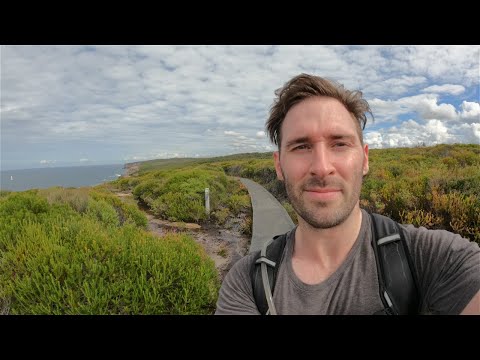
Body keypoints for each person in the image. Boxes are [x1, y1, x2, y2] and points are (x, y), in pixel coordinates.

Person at [215, 73, 480, 315]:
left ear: (364, 160)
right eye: (301, 146)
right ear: (278, 165)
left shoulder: (436, 257)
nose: (321, 168)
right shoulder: (246, 283)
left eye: (340, 144)